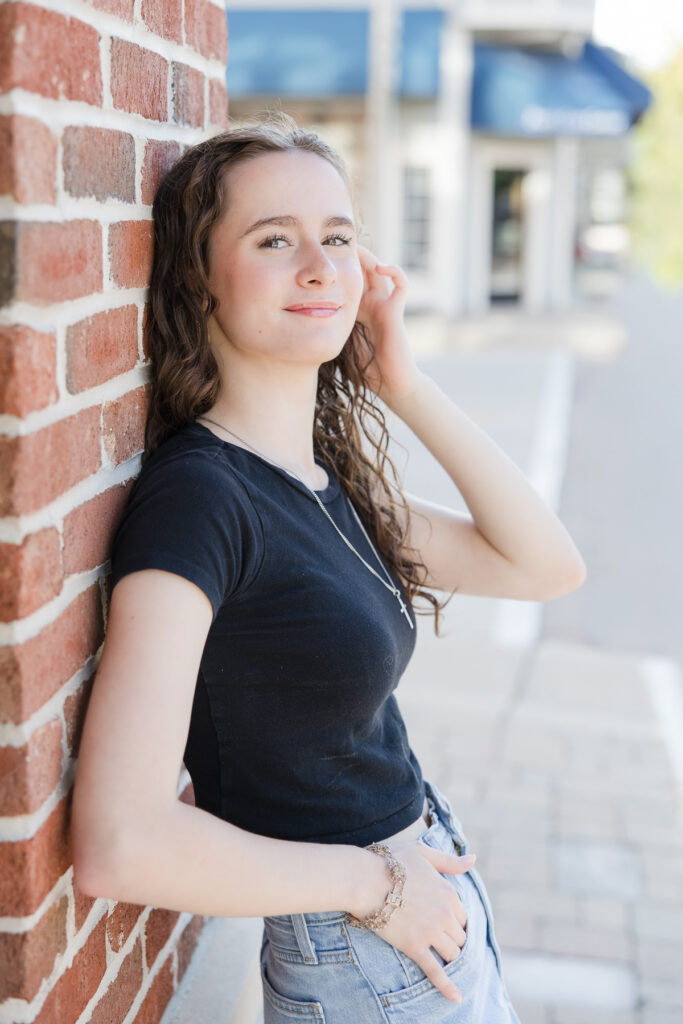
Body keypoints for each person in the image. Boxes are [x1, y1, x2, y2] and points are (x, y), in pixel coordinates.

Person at [70, 112, 586, 1022]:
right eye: (275, 240)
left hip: (416, 912)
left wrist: (402, 384)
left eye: (338, 239)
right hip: (366, 947)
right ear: (199, 279)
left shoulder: (318, 479)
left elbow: (542, 565)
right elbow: (120, 841)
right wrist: (373, 886)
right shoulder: (201, 500)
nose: (319, 267)